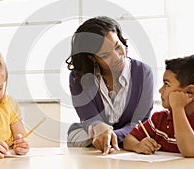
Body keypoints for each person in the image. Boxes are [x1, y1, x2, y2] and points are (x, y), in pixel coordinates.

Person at [66, 16, 154, 155]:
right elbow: (89, 118)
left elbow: (140, 120)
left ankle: (109, 141)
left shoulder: (143, 73)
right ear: (92, 57)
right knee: (76, 136)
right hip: (93, 135)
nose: (117, 57)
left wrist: (112, 136)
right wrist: (98, 127)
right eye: (106, 55)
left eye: (118, 46)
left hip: (131, 135)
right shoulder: (79, 77)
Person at [123, 55, 194, 157]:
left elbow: (190, 150)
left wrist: (178, 107)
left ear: (190, 92)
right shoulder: (159, 119)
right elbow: (128, 139)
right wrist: (138, 145)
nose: (160, 90)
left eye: (166, 84)